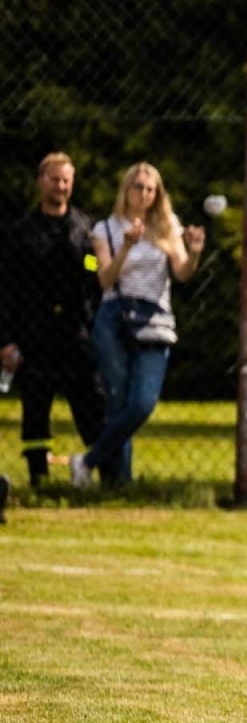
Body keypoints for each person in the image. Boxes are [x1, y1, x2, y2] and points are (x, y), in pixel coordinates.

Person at [70, 163, 204, 488]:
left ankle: (87, 461)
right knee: (118, 401)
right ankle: (121, 483)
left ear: (157, 194)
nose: (143, 194)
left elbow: (183, 273)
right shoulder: (105, 229)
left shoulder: (168, 225)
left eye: (150, 188)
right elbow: (104, 279)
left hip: (154, 317)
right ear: (126, 189)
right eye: (137, 187)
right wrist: (127, 246)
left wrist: (195, 252)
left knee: (142, 402)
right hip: (114, 316)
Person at [0, 152, 106, 486]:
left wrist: (88, 268)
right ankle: (38, 479)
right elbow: (7, 289)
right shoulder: (21, 234)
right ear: (40, 182)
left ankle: (99, 470)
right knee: (35, 407)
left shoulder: (86, 229)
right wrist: (6, 340)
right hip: (35, 332)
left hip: (76, 332)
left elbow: (96, 276)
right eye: (54, 179)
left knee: (90, 403)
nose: (61, 186)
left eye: (66, 180)